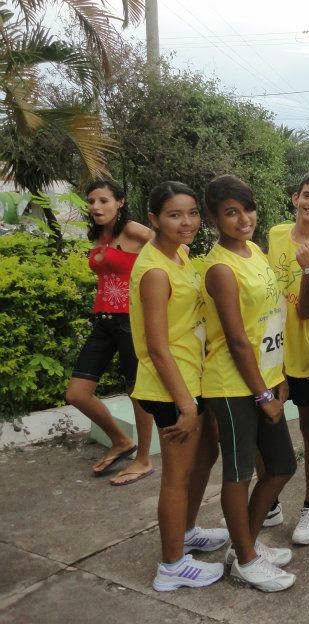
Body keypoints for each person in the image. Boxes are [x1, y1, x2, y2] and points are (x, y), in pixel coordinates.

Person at [201, 175, 298, 592]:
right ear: (214, 219)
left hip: (265, 379)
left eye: (248, 208)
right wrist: (262, 393)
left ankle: (246, 543)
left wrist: (278, 378)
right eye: (231, 212)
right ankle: (244, 559)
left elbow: (269, 321)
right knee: (239, 474)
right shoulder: (221, 267)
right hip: (232, 386)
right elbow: (238, 339)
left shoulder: (254, 251)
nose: (243, 219)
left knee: (281, 466)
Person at [130, 182, 228, 591]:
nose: (186, 222)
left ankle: (185, 532)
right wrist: (185, 405)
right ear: (153, 219)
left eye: (191, 213)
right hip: (171, 389)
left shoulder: (180, 256)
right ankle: (171, 566)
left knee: (204, 456)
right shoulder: (154, 270)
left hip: (192, 378)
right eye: (174, 214)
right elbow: (156, 346)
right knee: (176, 476)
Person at [65, 178, 155, 485]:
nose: (95, 207)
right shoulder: (100, 235)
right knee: (76, 393)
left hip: (131, 320)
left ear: (120, 201)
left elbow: (175, 245)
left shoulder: (131, 229)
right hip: (103, 320)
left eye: (103, 200)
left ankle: (143, 459)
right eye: (91, 201)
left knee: (137, 392)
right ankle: (121, 441)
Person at [267, 171, 309, 547]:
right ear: (295, 198)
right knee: (267, 427)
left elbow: (308, 311)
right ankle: (271, 502)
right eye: (307, 195)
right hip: (269, 352)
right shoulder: (276, 234)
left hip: (308, 354)